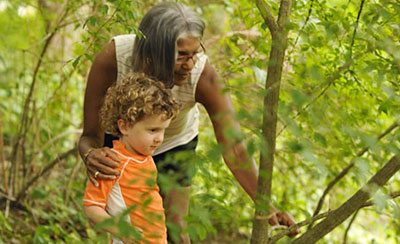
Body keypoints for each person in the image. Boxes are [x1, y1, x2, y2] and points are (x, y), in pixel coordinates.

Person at [79, 2, 299, 243]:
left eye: (195, 53)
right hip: (125, 139)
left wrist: (267, 207)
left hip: (174, 142)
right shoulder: (115, 57)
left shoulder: (203, 76)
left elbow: (234, 148)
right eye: (182, 55)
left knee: (175, 227)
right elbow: (89, 136)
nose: (191, 63)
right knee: (124, 221)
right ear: (155, 52)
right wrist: (92, 155)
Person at [83, 73, 180, 244]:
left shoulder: (145, 158)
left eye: (163, 130)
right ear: (125, 126)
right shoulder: (112, 162)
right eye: (153, 130)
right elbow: (91, 206)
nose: (159, 138)